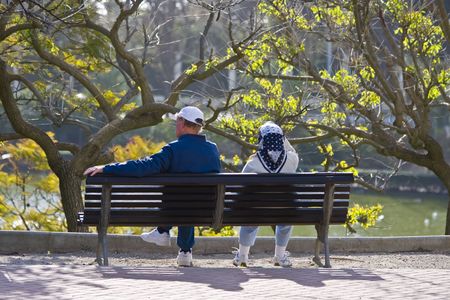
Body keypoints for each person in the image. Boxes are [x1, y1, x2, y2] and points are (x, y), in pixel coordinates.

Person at [83, 106, 221, 267]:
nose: (176, 125)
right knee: (191, 196)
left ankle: (162, 231)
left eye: (177, 121)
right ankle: (184, 250)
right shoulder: (213, 149)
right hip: (207, 211)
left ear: (182, 122)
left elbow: (144, 166)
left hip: (176, 209)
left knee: (182, 195)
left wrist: (107, 168)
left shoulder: (174, 149)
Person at [232, 121, 299, 268]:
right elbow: (291, 150)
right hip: (284, 212)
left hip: (255, 212)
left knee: (249, 213)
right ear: (281, 139)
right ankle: (280, 256)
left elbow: (240, 187)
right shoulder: (292, 160)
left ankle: (243, 255)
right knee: (286, 220)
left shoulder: (252, 164)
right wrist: (283, 139)